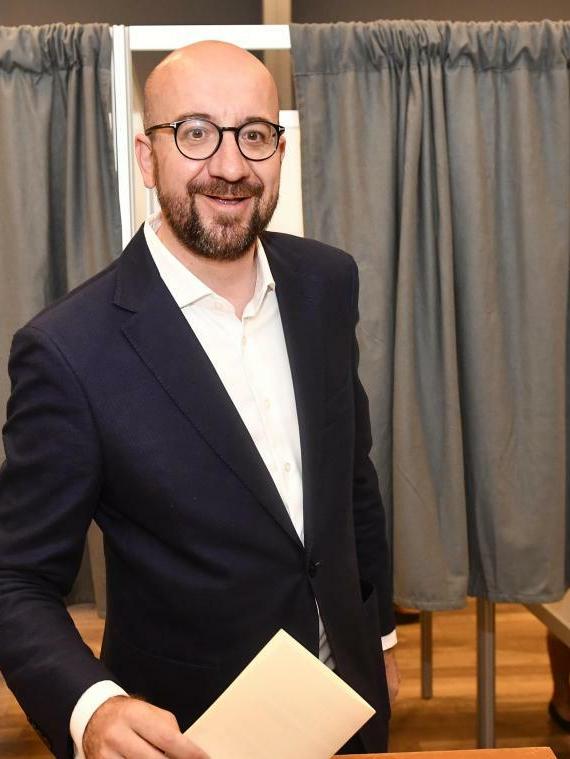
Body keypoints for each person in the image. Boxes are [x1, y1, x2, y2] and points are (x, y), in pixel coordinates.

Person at [0, 41, 399, 759]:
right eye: (195, 132)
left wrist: (380, 639)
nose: (230, 165)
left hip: (348, 707)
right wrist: (93, 709)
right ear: (147, 157)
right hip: (187, 734)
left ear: (279, 150)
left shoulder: (326, 284)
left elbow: (351, 482)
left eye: (254, 134)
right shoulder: (70, 350)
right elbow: (15, 577)